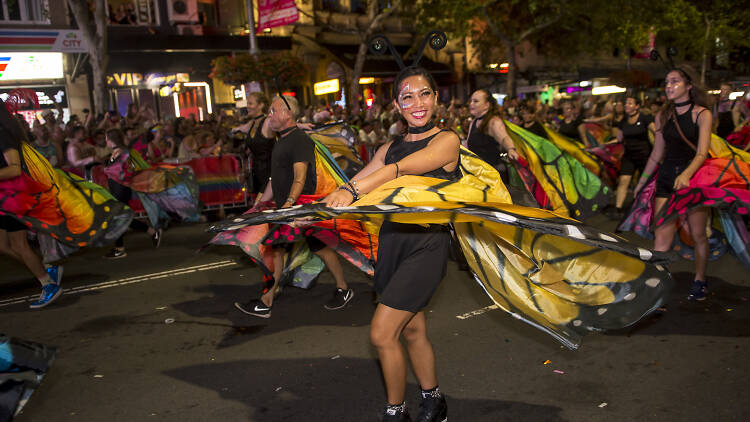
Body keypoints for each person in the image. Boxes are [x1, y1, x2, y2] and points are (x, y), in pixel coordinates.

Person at [324, 67, 454, 422]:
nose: (418, 103)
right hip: (392, 243)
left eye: (425, 93)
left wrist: (349, 191)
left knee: (382, 333)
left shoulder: (446, 141)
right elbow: (357, 181)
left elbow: (400, 171)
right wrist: (316, 208)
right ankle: (434, 400)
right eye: (408, 96)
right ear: (397, 104)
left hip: (427, 244)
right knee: (411, 329)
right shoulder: (389, 147)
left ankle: (395, 413)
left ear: (436, 98)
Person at [235, 95, 354, 318]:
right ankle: (342, 288)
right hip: (290, 209)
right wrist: (259, 205)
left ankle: (266, 301)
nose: (269, 115)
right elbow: (274, 179)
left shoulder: (299, 140)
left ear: (287, 113)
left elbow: (300, 177)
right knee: (315, 248)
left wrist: (289, 206)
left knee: (279, 249)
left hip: (299, 210)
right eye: (269, 110)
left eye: (273, 110)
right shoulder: (282, 141)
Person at [633, 66, 712, 300]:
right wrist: (642, 181)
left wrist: (687, 174)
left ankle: (700, 279)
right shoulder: (663, 115)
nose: (668, 85)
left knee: (698, 234)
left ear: (689, 85)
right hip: (666, 179)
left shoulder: (702, 114)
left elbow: (702, 152)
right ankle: (658, 289)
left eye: (675, 81)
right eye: (667, 82)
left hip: (693, 181)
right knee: (661, 236)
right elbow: (657, 154)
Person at [0, 99, 63, 309]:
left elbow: (15, 169)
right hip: (3, 198)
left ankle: (47, 284)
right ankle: (46, 270)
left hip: (14, 196)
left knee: (19, 244)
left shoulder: (3, 135)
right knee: (2, 245)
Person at [102, 128, 162, 259]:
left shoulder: (125, 153)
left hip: (122, 190)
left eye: (106, 138)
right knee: (120, 218)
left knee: (117, 218)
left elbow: (129, 172)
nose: (105, 141)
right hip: (115, 189)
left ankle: (120, 249)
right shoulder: (115, 153)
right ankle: (152, 232)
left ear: (111, 140)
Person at [607, 96, 655, 219]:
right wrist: (602, 146)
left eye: (630, 103)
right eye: (626, 103)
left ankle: (647, 209)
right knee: (623, 181)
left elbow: (657, 132)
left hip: (645, 157)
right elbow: (619, 139)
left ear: (637, 106)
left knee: (646, 184)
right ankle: (618, 209)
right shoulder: (623, 122)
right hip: (629, 156)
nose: (626, 105)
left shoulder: (645, 118)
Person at [466, 89, 519, 181]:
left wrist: (511, 149)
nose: (471, 104)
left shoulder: (494, 121)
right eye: (471, 101)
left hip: (494, 175)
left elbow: (504, 138)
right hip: (479, 175)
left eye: (476, 101)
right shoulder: (474, 122)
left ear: (487, 105)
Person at [244, 92, 275, 196]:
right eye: (247, 103)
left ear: (261, 105)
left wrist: (302, 125)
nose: (248, 106)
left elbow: (285, 126)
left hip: (270, 172)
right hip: (257, 173)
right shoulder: (252, 123)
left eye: (250, 103)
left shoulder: (267, 121)